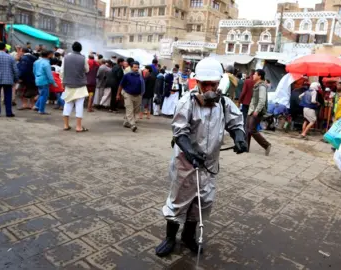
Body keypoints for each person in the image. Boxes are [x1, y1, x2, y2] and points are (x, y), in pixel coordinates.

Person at [155, 57, 247, 257]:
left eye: (212, 84)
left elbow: (236, 122)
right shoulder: (186, 102)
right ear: (197, 82)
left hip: (210, 166)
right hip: (186, 164)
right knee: (178, 201)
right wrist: (190, 152)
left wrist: (240, 137)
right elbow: (179, 132)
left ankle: (188, 237)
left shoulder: (224, 102)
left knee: (201, 202)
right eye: (204, 84)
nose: (209, 88)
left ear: (218, 82)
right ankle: (170, 238)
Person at [61, 41, 89, 132]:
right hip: (80, 85)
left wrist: (63, 81)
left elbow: (62, 71)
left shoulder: (65, 58)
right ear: (80, 49)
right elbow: (87, 69)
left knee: (67, 104)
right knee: (79, 105)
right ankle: (78, 127)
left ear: (72, 48)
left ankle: (66, 125)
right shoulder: (83, 58)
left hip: (68, 85)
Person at [247, 69, 272, 155]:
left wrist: (257, 110)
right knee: (248, 129)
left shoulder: (262, 86)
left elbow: (262, 100)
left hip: (256, 111)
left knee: (252, 129)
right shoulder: (257, 85)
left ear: (259, 76)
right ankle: (245, 147)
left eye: (255, 74)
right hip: (252, 110)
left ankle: (266, 145)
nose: (253, 75)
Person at [116, 61, 144, 132]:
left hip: (138, 96)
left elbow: (142, 86)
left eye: (137, 67)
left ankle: (126, 122)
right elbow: (121, 85)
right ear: (131, 68)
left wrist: (141, 94)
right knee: (129, 110)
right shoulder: (127, 76)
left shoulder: (140, 76)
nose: (136, 69)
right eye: (135, 67)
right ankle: (133, 125)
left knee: (136, 111)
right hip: (128, 95)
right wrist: (118, 94)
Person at [33, 50, 56, 115]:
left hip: (38, 79)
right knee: (44, 95)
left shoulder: (36, 62)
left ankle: (37, 106)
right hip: (44, 80)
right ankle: (41, 110)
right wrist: (53, 83)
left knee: (41, 94)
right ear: (48, 55)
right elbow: (49, 74)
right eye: (51, 54)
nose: (52, 55)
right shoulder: (46, 63)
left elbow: (34, 71)